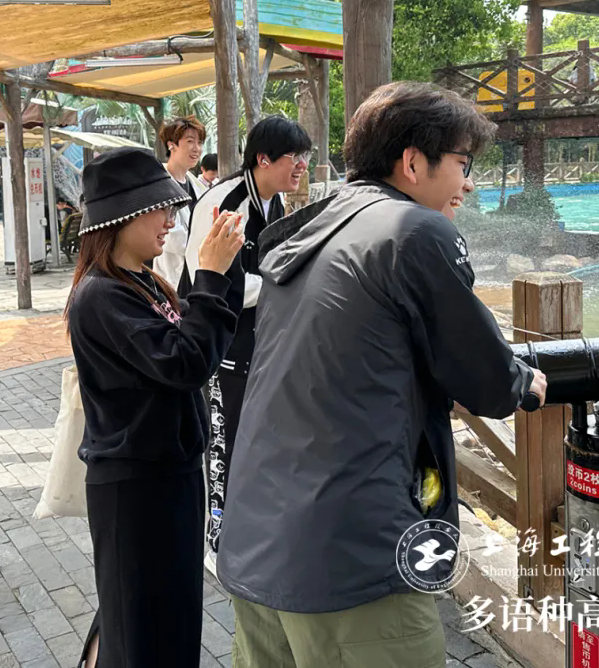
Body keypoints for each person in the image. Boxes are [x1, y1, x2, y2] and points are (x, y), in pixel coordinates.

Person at [216, 83, 547, 668]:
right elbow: (490, 381)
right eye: (463, 164)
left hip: (259, 541)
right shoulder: (415, 230)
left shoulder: (314, 227)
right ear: (413, 163)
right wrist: (526, 381)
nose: (468, 184)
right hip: (351, 560)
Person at [66, 147, 245, 667]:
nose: (170, 219)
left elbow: (202, 340)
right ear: (120, 217)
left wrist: (222, 270)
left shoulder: (142, 282)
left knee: (161, 615)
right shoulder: (102, 296)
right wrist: (210, 276)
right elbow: (186, 364)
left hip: (167, 472)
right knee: (140, 624)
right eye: (158, 209)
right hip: (136, 484)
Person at [184, 114, 312, 567]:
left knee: (258, 441)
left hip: (260, 344)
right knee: (224, 444)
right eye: (294, 157)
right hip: (222, 346)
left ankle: (256, 532)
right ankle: (219, 541)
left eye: (305, 156)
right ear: (263, 159)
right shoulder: (226, 202)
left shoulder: (273, 203)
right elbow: (209, 277)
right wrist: (289, 285)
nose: (301, 165)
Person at [153, 116, 208, 295]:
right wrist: (208, 247)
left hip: (196, 274)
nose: (196, 148)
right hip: (173, 276)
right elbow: (171, 237)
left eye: (199, 142)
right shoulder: (159, 183)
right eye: (190, 141)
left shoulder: (196, 185)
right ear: (171, 145)